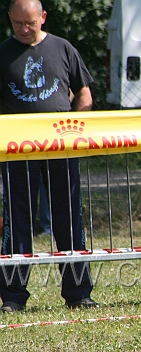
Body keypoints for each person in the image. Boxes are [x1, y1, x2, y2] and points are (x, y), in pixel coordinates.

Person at [0, 0, 98, 312]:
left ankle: (78, 293)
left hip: (62, 148)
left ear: (43, 17)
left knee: (69, 218)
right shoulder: (2, 52)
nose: (24, 29)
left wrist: (78, 131)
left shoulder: (63, 48)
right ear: (10, 19)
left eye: (30, 23)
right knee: (17, 223)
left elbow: (83, 94)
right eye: (18, 23)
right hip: (16, 151)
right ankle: (13, 298)